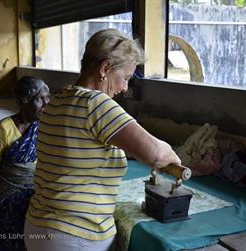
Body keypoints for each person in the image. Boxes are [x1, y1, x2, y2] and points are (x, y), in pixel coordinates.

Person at [24, 29, 182, 251]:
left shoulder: (57, 101)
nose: (125, 88)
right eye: (125, 78)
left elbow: (82, 149)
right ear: (105, 68)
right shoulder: (95, 103)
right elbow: (156, 154)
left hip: (38, 227)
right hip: (74, 234)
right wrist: (177, 160)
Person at [0, 76, 50, 251]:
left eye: (47, 97)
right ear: (24, 101)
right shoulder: (5, 128)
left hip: (35, 200)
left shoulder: (46, 126)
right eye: (39, 99)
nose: (46, 104)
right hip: (7, 198)